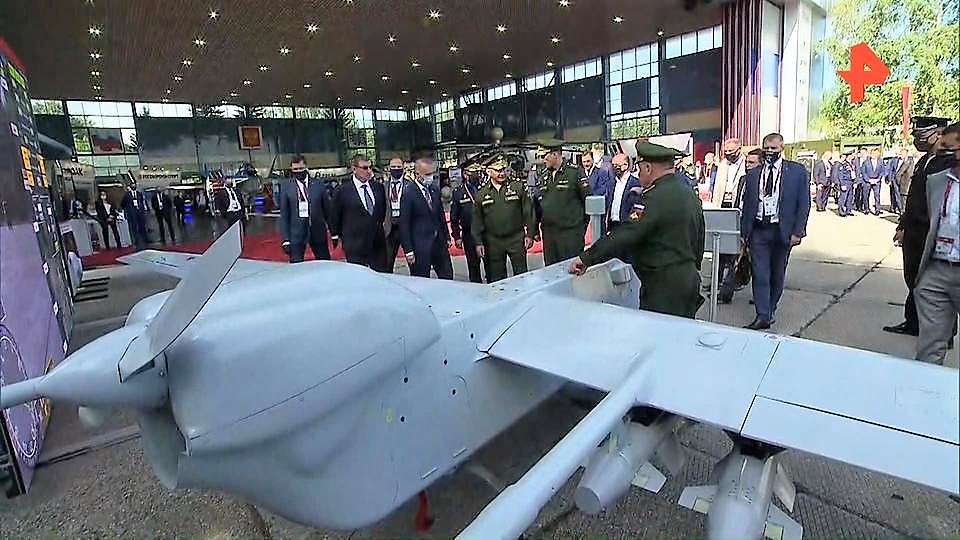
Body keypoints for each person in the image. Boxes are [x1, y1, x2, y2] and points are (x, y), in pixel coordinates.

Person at [568, 141, 705, 318]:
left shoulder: (653, 197)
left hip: (663, 285)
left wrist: (587, 257)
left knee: (658, 331)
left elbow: (626, 234)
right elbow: (700, 232)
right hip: (688, 279)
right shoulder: (687, 192)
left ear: (648, 168)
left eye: (640, 169)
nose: (638, 175)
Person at [885, 116, 955, 337]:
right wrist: (902, 225)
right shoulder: (924, 161)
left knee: (936, 284)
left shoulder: (948, 163)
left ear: (939, 134)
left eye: (922, 135)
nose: (918, 140)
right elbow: (914, 199)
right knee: (914, 278)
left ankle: (944, 332)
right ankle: (914, 322)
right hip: (914, 232)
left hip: (933, 233)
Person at [740, 133, 811, 330]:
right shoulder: (754, 174)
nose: (770, 152)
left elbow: (804, 203)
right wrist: (744, 232)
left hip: (783, 231)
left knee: (777, 274)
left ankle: (771, 309)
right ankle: (762, 315)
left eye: (774, 148)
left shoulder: (796, 172)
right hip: (759, 230)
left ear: (782, 149)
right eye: (767, 148)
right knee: (760, 273)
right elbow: (748, 204)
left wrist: (798, 231)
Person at [913, 122, 960, 364]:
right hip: (937, 272)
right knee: (930, 348)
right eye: (943, 149)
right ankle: (926, 383)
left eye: (951, 149)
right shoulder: (937, 181)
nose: (946, 155)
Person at [471, 156, 536, 283]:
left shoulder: (517, 187)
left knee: (521, 275)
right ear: (489, 171)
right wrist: (478, 242)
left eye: (503, 170)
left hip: (516, 239)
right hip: (493, 242)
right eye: (497, 170)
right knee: (497, 279)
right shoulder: (481, 193)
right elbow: (477, 220)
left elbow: (528, 211)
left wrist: (530, 234)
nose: (501, 173)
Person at [329, 154, 389, 271]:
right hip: (354, 244)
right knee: (359, 277)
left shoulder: (378, 187)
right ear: (354, 169)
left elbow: (381, 212)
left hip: (377, 243)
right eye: (365, 168)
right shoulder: (342, 191)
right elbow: (335, 216)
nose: (369, 171)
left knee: (380, 275)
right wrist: (341, 235)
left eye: (370, 167)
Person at [535, 144, 590, 266]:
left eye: (544, 156)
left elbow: (588, 201)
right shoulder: (543, 176)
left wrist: (580, 228)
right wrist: (535, 229)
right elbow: (538, 205)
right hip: (549, 235)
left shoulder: (575, 172)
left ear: (554, 154)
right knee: (551, 271)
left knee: (571, 270)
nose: (542, 160)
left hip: (570, 235)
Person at [399, 156, 454, 279]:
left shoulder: (434, 189)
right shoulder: (408, 193)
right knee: (421, 280)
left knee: (447, 276)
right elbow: (404, 224)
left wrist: (446, 236)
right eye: (428, 174)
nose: (431, 177)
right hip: (420, 246)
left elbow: (440, 216)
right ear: (417, 174)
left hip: (439, 243)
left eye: (433, 173)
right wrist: (408, 250)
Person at [279, 155, 331, 263]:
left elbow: (327, 210)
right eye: (295, 169)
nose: (298, 171)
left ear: (306, 167)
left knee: (324, 263)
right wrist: (285, 239)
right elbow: (284, 215)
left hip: (317, 232)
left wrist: (334, 232)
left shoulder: (318, 185)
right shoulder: (286, 187)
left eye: (301, 168)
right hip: (296, 234)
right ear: (291, 169)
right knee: (296, 266)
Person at [450, 163, 484, 283]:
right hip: (469, 233)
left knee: (491, 265)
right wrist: (456, 236)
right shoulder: (458, 192)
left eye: (477, 172)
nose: (476, 175)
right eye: (473, 172)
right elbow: (454, 217)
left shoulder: (484, 189)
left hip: (486, 232)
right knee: (473, 265)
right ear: (465, 174)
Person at [604, 153, 641, 233]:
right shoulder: (611, 183)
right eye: (613, 165)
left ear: (626, 165)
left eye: (617, 165)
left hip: (627, 225)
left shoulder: (635, 183)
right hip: (612, 225)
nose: (614, 167)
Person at [383, 157, 407, 273]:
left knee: (414, 262)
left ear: (403, 167)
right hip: (390, 228)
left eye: (398, 167)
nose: (396, 169)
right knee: (387, 263)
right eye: (393, 167)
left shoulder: (410, 186)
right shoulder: (383, 186)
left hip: (406, 227)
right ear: (389, 168)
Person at [711, 138, 747, 208]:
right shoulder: (723, 164)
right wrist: (715, 205)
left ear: (739, 149)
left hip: (738, 202)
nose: (728, 153)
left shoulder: (746, 163)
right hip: (723, 201)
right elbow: (717, 187)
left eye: (730, 151)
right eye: (726, 151)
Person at [120, 179, 148, 250]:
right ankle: (136, 241)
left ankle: (145, 240)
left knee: (142, 226)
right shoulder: (127, 195)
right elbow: (123, 204)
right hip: (132, 213)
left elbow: (142, 202)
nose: (133, 186)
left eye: (134, 185)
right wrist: (128, 210)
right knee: (134, 228)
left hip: (140, 212)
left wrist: (143, 209)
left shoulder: (139, 194)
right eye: (132, 185)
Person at [860, 147, 885, 215]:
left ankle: (877, 209)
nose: (874, 155)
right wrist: (868, 180)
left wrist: (878, 179)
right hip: (867, 181)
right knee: (866, 196)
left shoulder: (880, 161)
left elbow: (882, 171)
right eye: (872, 154)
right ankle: (866, 209)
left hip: (877, 181)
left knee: (877, 196)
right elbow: (863, 172)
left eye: (875, 154)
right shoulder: (866, 162)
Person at [832, 150, 856, 217]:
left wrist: (855, 182)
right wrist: (842, 184)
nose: (853, 156)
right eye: (852, 155)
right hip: (845, 182)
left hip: (851, 182)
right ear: (849, 156)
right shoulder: (843, 164)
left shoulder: (851, 163)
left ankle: (848, 210)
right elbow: (841, 175)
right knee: (843, 198)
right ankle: (841, 211)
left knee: (850, 198)